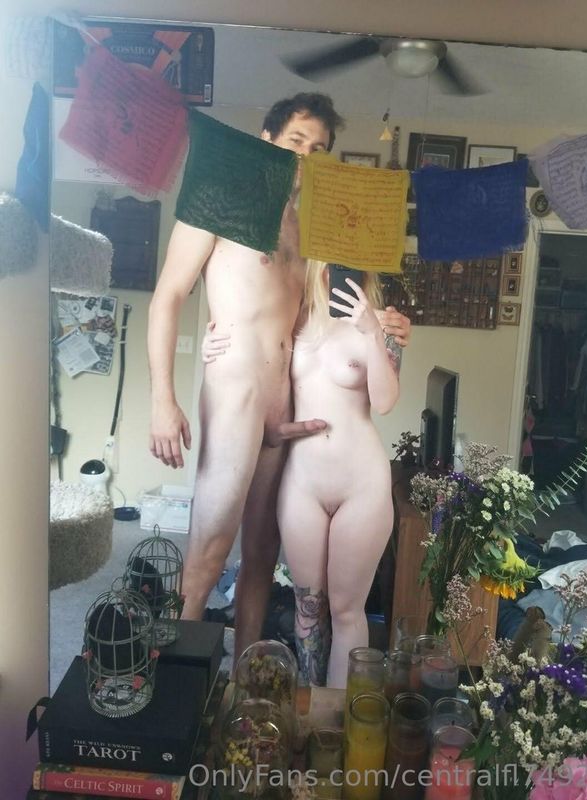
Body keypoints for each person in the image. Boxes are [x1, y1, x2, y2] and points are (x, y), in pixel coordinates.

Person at [148, 93, 411, 661]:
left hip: (282, 401)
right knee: (210, 549)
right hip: (238, 386)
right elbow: (167, 296)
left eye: (318, 149)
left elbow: (331, 318)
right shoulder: (221, 198)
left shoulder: (311, 233)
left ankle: (246, 682)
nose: (305, 157)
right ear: (267, 140)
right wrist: (162, 400)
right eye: (295, 141)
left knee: (263, 555)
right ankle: (176, 678)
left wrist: (389, 327)